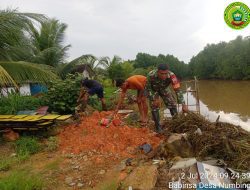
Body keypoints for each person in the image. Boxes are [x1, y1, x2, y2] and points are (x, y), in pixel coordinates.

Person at [145, 63, 188, 133]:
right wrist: (154, 99)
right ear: (157, 71)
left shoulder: (172, 75)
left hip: (164, 88)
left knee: (172, 104)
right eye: (162, 73)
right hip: (153, 90)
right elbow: (148, 88)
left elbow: (177, 90)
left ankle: (176, 124)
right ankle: (158, 127)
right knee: (154, 106)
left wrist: (183, 104)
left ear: (168, 71)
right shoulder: (151, 75)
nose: (164, 76)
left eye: (165, 73)